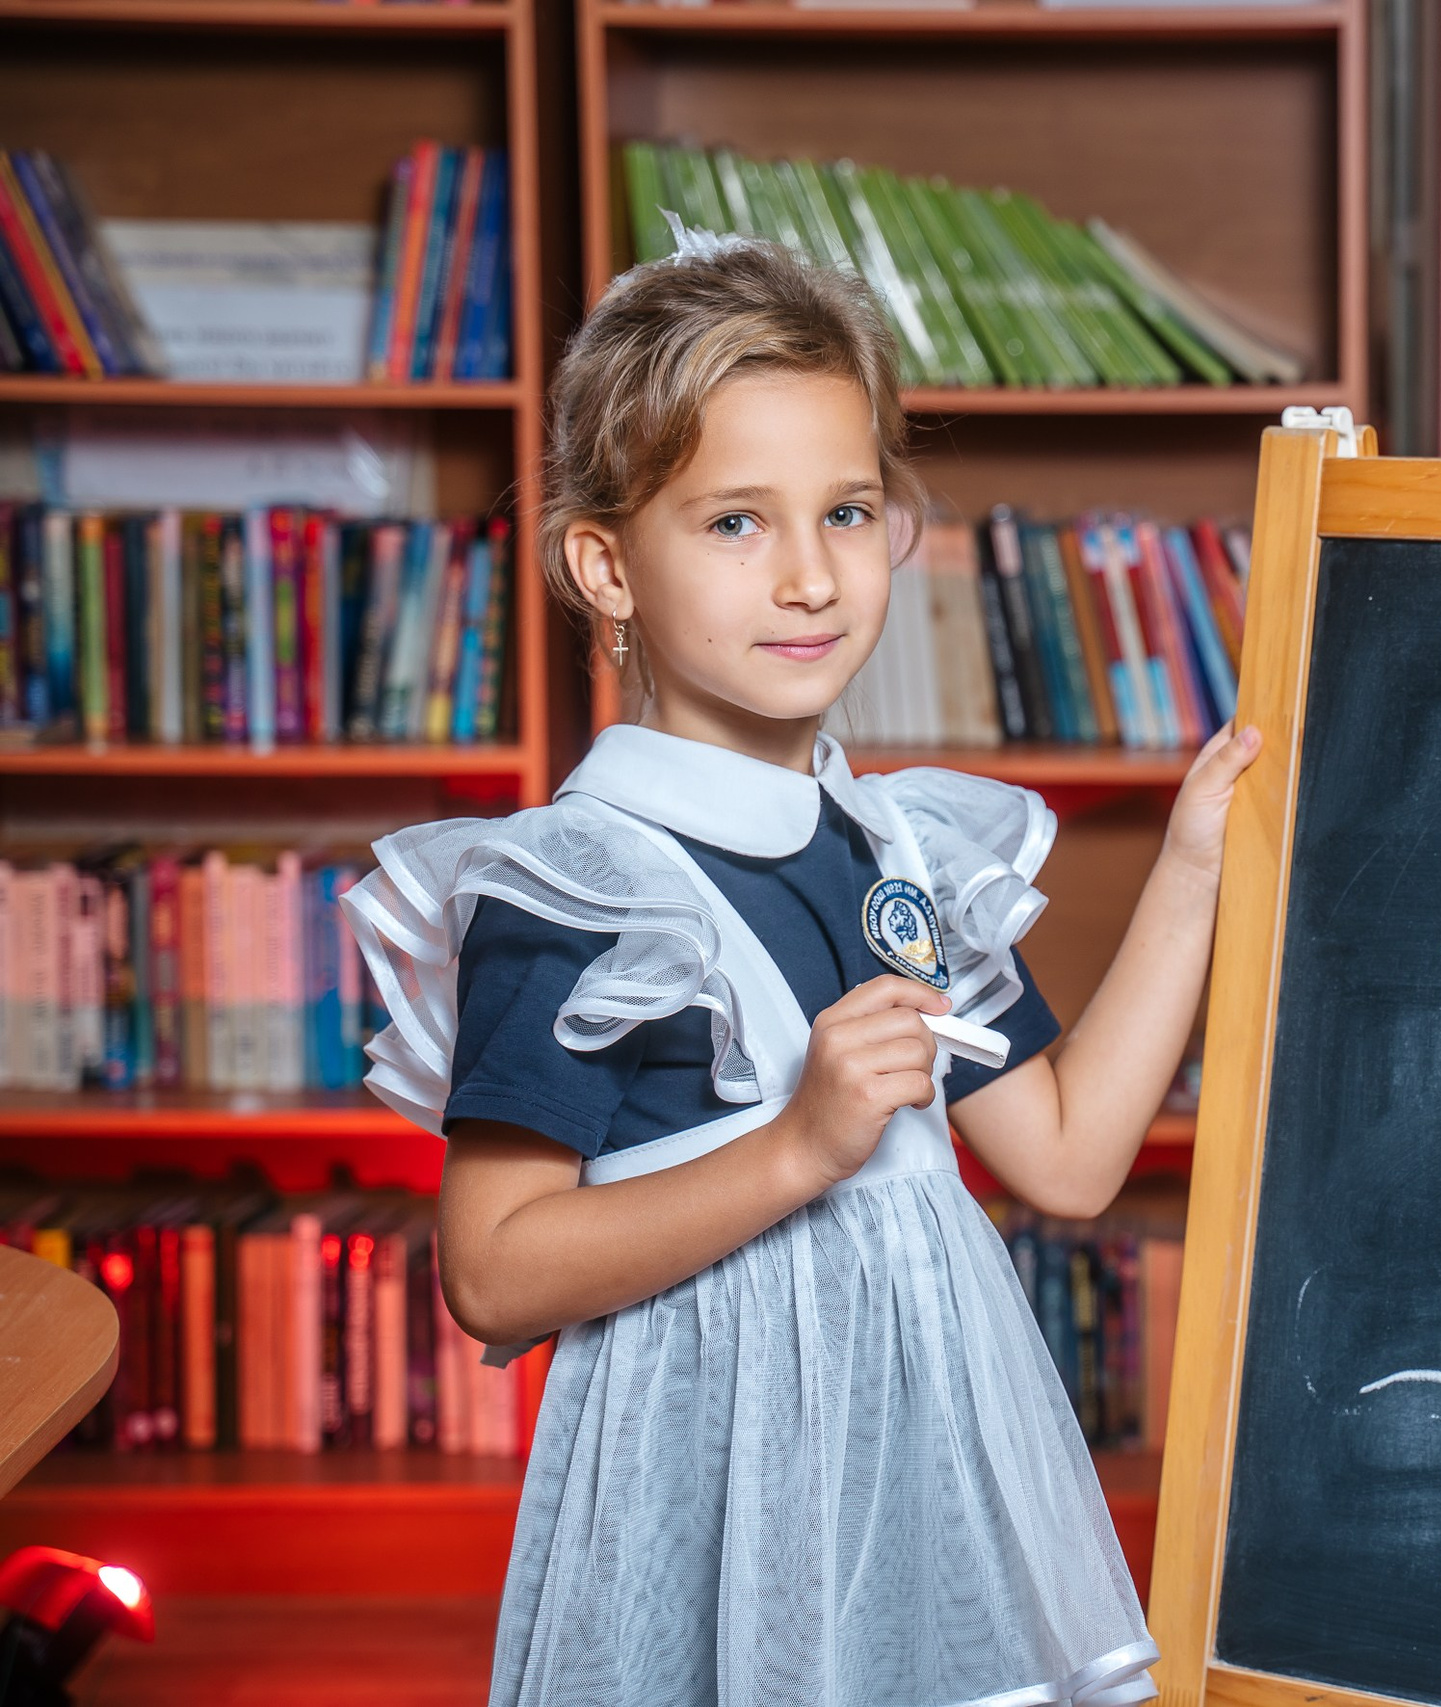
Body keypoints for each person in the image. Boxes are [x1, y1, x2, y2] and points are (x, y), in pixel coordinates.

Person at [343, 223, 1258, 1706]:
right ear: (606, 565)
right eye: (733, 523)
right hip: (708, 1518)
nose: (811, 578)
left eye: (844, 511)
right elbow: (495, 1276)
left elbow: (1076, 1156)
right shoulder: (578, 893)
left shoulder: (901, 852)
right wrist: (799, 1148)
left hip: (931, 1503)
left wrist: (1197, 861)